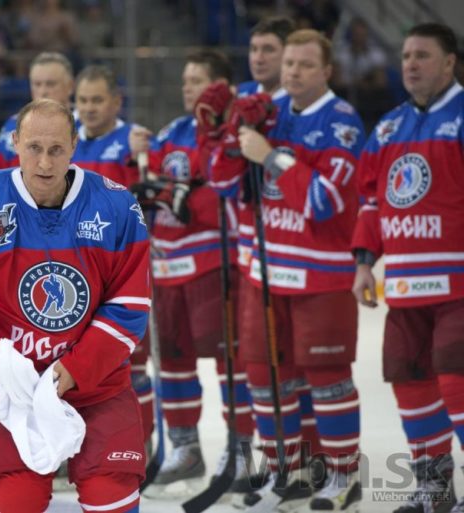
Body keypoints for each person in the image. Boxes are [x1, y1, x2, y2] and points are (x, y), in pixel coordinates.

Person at [0, 98, 150, 513]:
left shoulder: (117, 206)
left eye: (56, 149)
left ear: (74, 146)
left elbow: (130, 304)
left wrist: (75, 369)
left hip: (97, 385)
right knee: (18, 501)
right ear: (15, 142)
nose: (44, 163)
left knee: (111, 496)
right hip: (9, 389)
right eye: (33, 148)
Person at [209, 29, 365, 511]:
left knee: (328, 377)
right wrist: (228, 135)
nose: (293, 71)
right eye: (290, 63)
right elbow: (221, 183)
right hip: (265, 272)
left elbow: (323, 200)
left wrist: (269, 156)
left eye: (305, 64)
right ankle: (285, 474)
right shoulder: (270, 113)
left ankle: (343, 478)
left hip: (320, 275)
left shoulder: (342, 121)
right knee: (264, 377)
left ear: (327, 71)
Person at [352, 22, 464, 513]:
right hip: (403, 285)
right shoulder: (388, 127)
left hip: (457, 284)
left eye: (422, 55)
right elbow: (371, 201)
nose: (411, 64)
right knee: (410, 381)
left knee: (457, 381)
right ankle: (433, 487)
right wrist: (364, 263)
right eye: (405, 56)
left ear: (449, 62)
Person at [135, 49, 256, 497]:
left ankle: (241, 450)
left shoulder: (229, 135)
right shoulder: (171, 133)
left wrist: (178, 195)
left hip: (212, 264)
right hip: (167, 268)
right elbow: (153, 189)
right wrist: (147, 178)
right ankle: (186, 449)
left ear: (221, 88)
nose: (188, 88)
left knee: (230, 362)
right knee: (172, 363)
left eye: (197, 81)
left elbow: (219, 194)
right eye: (185, 81)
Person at [70, 63, 155, 452]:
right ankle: (79, 447)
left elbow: (150, 201)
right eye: (82, 100)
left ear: (116, 102)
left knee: (130, 364)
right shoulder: (68, 141)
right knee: (79, 363)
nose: (88, 108)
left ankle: (141, 445)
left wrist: (142, 159)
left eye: (97, 100)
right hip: (75, 273)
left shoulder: (132, 143)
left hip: (120, 275)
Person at [0, 52, 75, 170]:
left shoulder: (87, 127)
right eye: (37, 84)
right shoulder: (12, 126)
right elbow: (0, 175)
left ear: (70, 86)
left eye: (50, 84)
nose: (43, 91)